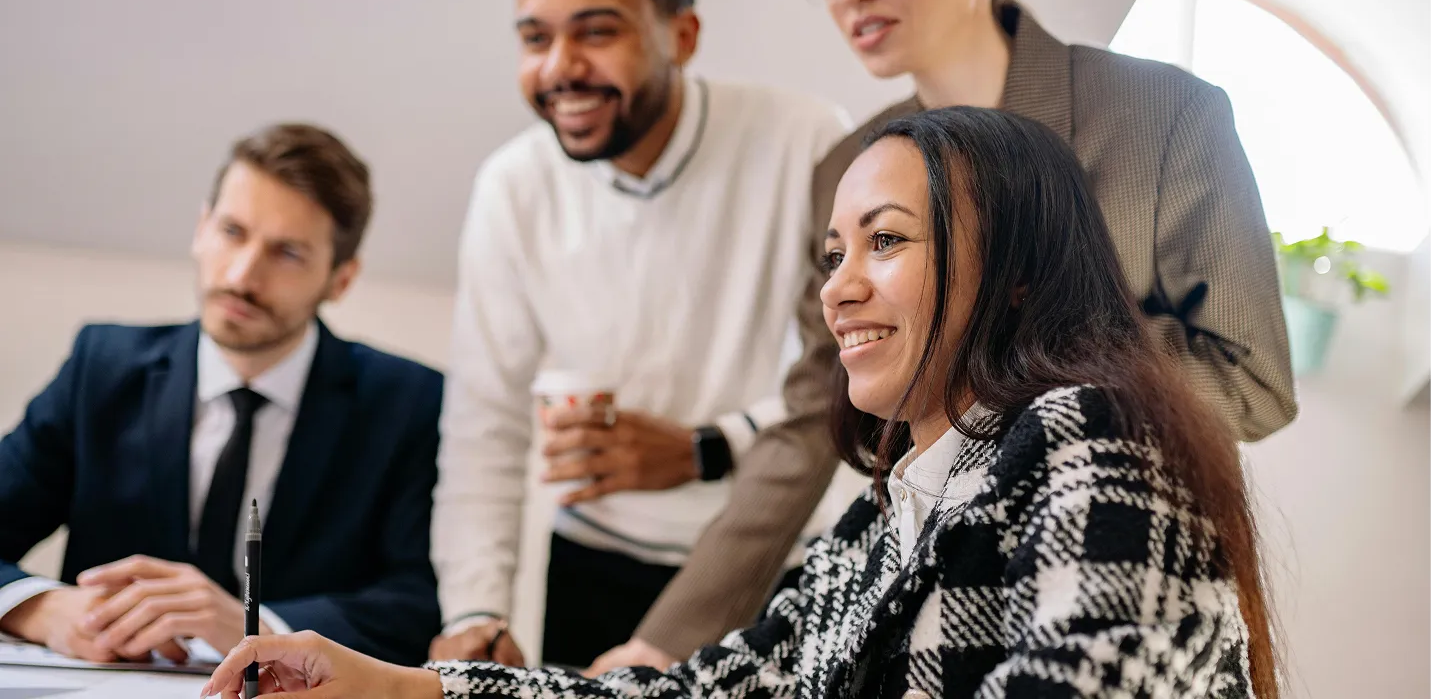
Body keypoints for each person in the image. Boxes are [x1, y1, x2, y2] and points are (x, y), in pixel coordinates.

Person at [200, 105, 1280, 699]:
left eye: (886, 240)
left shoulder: (1095, 435)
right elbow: (691, 696)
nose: (838, 285)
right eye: (829, 252)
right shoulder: (879, 516)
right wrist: (392, 688)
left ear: (1016, 271)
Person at [588, 0, 1299, 672]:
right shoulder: (850, 171)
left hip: (1106, 559)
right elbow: (806, 424)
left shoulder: (1163, 117)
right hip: (926, 582)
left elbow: (1252, 379)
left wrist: (1011, 351)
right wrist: (661, 642)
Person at [426, 0, 851, 670]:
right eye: (534, 36)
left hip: (772, 558)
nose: (559, 68)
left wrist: (705, 449)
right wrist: (476, 610)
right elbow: (483, 425)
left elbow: (848, 376)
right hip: (592, 569)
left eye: (596, 31)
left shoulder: (806, 140)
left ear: (681, 36)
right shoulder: (511, 187)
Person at [0, 123, 444, 667]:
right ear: (200, 227)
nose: (241, 275)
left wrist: (254, 627)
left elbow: (419, 604)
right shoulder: (102, 368)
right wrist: (43, 610)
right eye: (232, 231)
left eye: (286, 253)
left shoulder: (409, 402)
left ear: (341, 279)